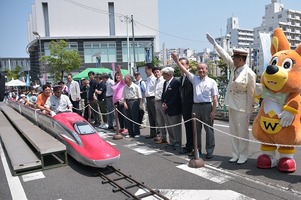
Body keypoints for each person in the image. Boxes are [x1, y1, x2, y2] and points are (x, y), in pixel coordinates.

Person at [207, 33, 256, 164]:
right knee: (233, 131)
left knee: (243, 132)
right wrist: (215, 45)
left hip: (242, 106)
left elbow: (251, 94)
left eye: (235, 58)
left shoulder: (250, 74)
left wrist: (249, 112)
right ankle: (235, 154)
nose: (233, 59)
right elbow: (225, 56)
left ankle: (243, 155)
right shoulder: (234, 67)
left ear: (241, 59)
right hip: (232, 104)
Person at [172, 53, 218, 159]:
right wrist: (176, 61)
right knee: (196, 130)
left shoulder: (212, 82)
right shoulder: (194, 79)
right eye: (199, 69)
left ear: (207, 70)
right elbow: (184, 70)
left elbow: (215, 98)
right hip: (195, 107)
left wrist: (213, 111)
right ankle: (197, 150)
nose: (201, 70)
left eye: (203, 69)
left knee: (209, 130)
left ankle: (210, 150)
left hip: (207, 107)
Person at [161, 67, 182, 150]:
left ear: (168, 74)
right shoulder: (165, 83)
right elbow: (163, 94)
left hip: (174, 108)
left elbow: (176, 96)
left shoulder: (176, 82)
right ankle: (172, 141)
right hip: (166, 108)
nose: (163, 75)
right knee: (169, 126)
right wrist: (163, 102)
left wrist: (168, 104)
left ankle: (178, 142)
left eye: (164, 74)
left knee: (176, 127)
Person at [178, 57, 194, 155]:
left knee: (192, 127)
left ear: (187, 65)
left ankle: (193, 146)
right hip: (184, 106)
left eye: (183, 64)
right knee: (187, 127)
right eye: (180, 64)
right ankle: (189, 145)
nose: (181, 66)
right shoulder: (181, 78)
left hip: (191, 105)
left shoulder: (191, 77)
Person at [153, 67, 168, 144]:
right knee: (160, 121)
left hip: (162, 102)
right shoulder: (155, 81)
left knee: (166, 120)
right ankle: (163, 137)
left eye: (157, 72)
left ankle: (169, 138)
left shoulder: (163, 80)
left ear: (161, 72)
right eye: (155, 72)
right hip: (156, 101)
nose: (156, 74)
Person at [112, 65, 128, 135]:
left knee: (124, 115)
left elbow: (122, 78)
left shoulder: (122, 82)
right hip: (116, 102)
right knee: (119, 116)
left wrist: (119, 70)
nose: (117, 77)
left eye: (118, 75)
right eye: (116, 76)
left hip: (121, 101)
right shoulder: (115, 83)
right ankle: (122, 127)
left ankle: (127, 128)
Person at [144, 63, 157, 139]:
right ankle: (152, 133)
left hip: (153, 98)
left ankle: (158, 133)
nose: (145, 71)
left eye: (146, 69)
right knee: (151, 117)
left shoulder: (154, 79)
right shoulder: (148, 78)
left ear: (150, 69)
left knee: (155, 116)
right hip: (148, 99)